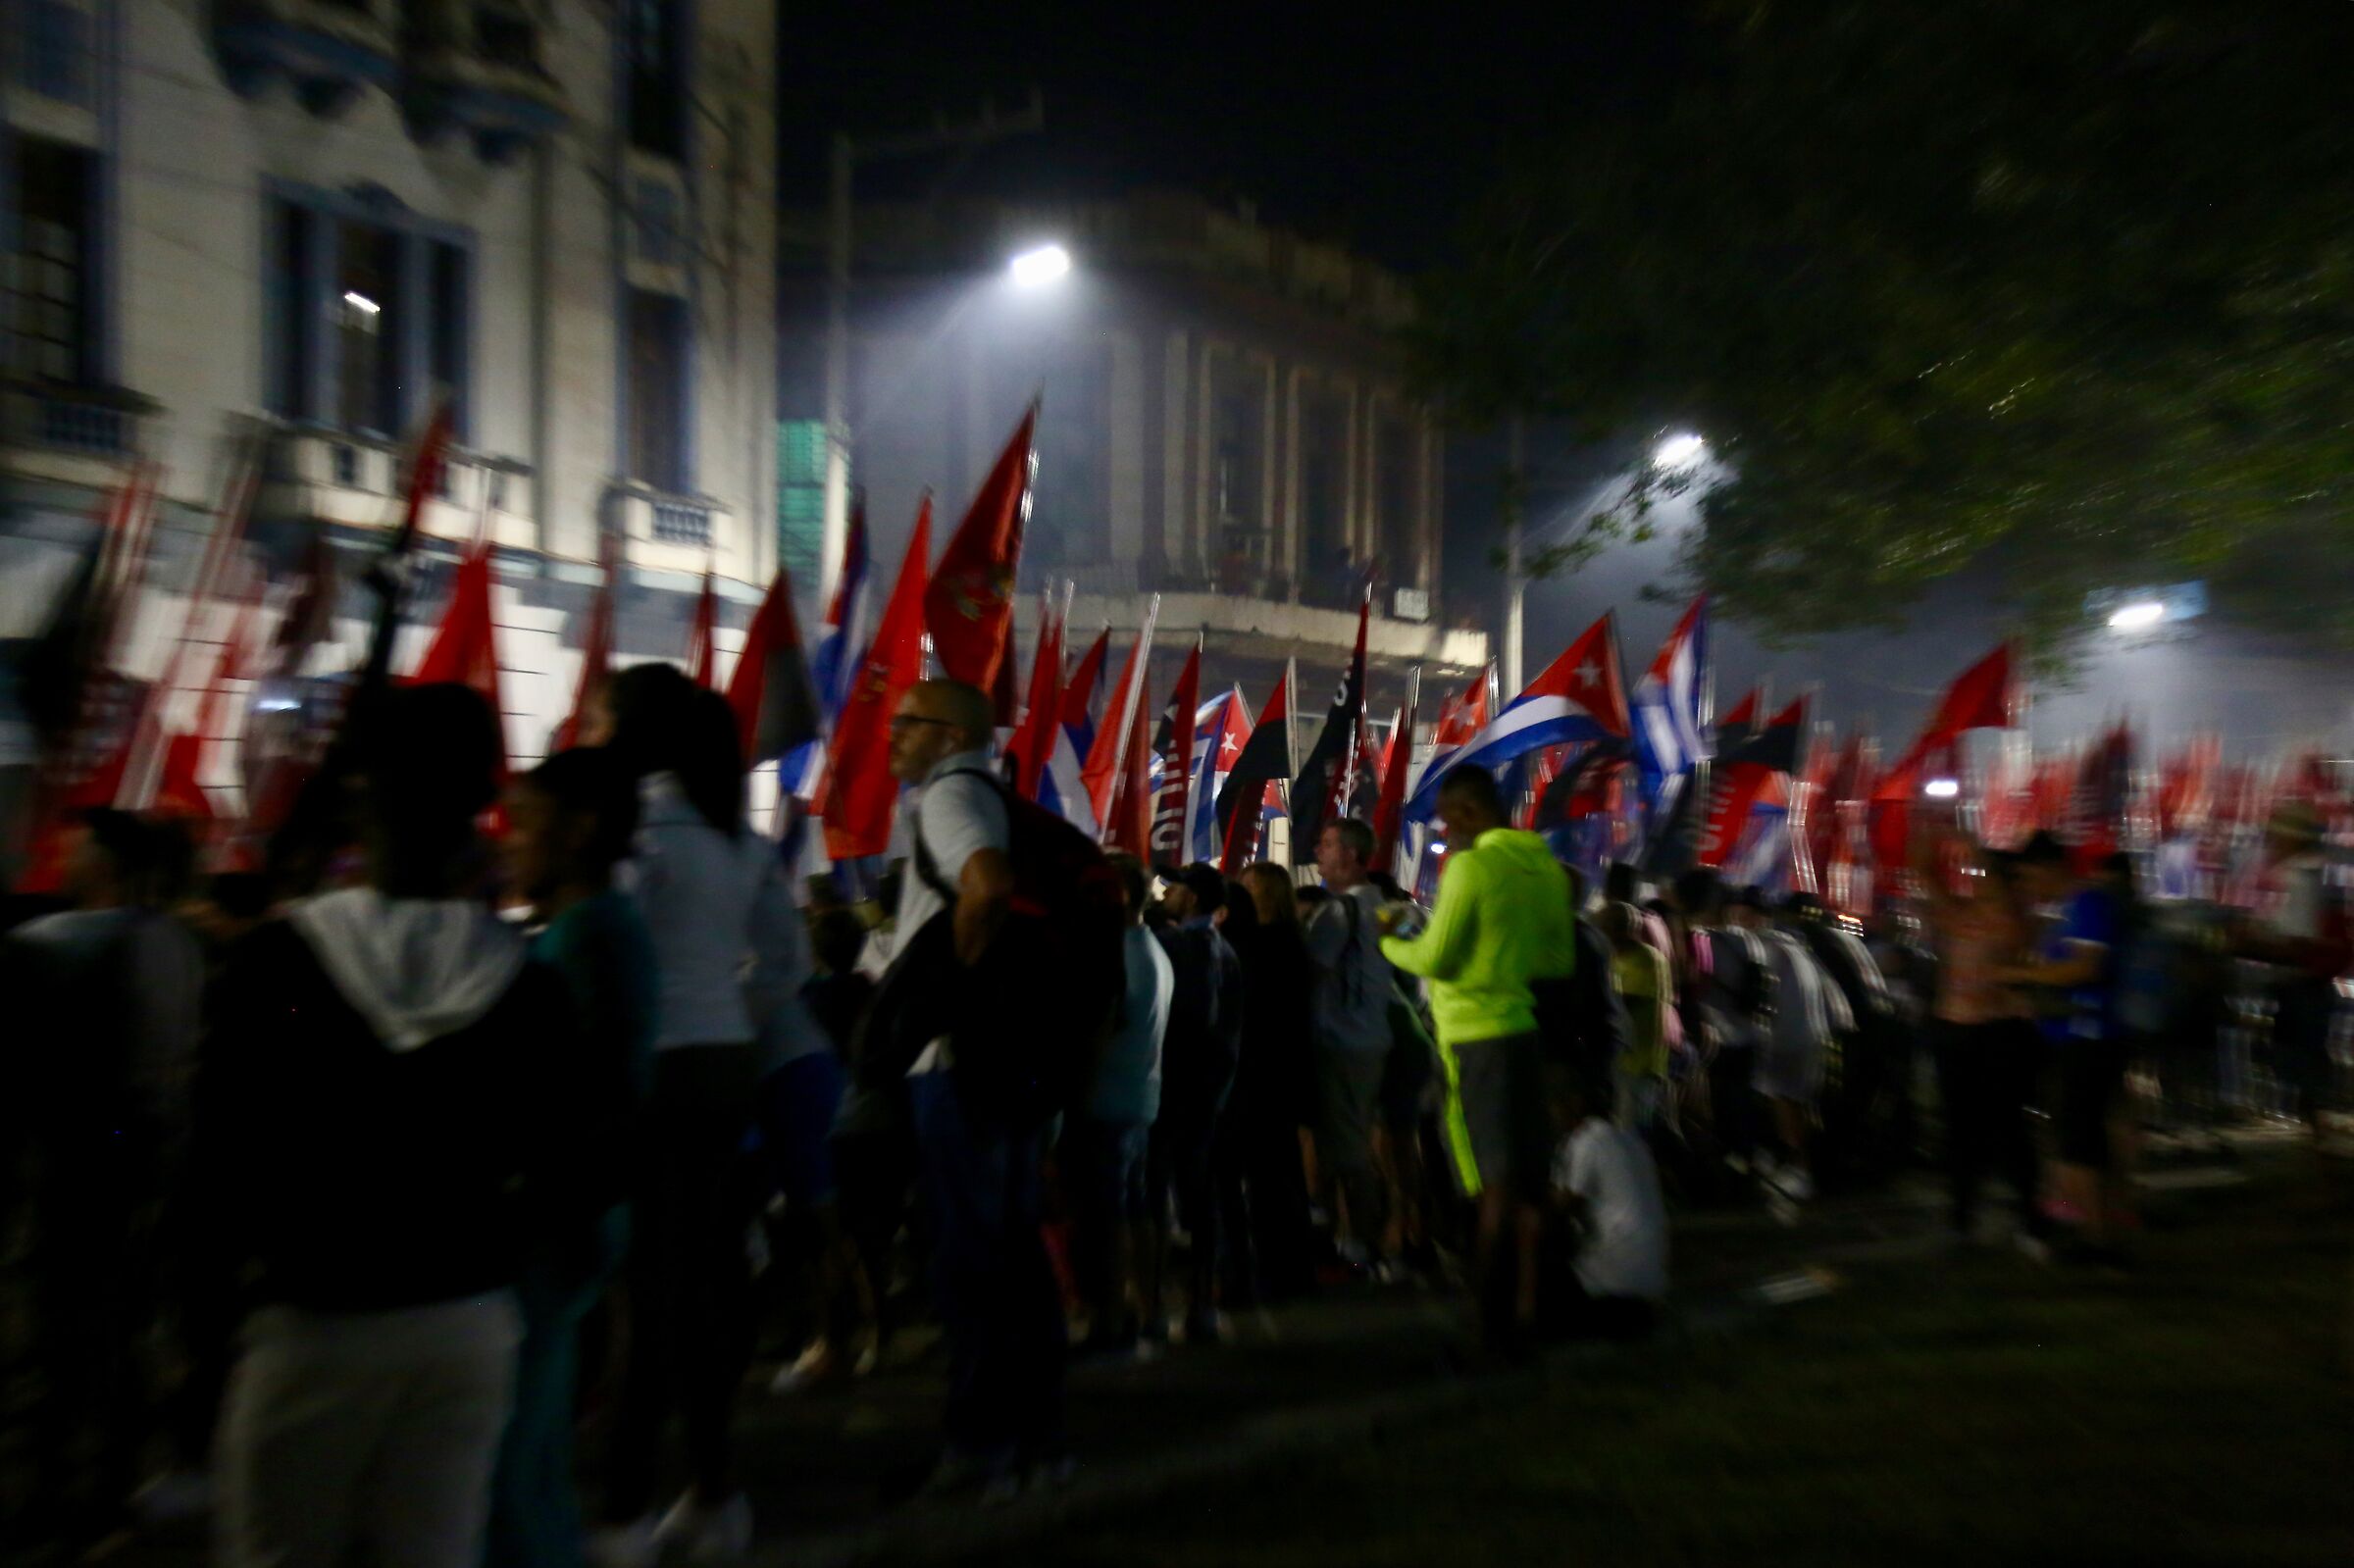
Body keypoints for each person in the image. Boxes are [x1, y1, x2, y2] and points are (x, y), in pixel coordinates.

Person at [197, 684, 583, 1568]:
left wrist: (210, 1316)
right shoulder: (527, 983)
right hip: (470, 1317)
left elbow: (222, 1158)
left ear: (359, 792)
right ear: (482, 802)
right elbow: (562, 1167)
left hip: (313, 1316)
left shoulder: (277, 961)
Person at [596, 666, 804, 1566]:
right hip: (722, 1062)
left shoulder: (635, 832)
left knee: (652, 1293)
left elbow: (613, 962)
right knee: (691, 1284)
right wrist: (731, 1019)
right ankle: (701, 1490)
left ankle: (633, 1503)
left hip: (656, 1069)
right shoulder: (738, 836)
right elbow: (785, 964)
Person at [870, 678, 1066, 1496]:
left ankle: (981, 1447)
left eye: (905, 724)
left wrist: (952, 996)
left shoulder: (950, 798)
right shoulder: (992, 795)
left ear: (949, 734)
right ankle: (1036, 1443)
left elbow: (983, 886)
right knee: (1013, 1252)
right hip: (1004, 1059)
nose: (890, 738)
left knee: (970, 1258)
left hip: (960, 1064)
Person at [6, 807, 205, 1551]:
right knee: (125, 1330)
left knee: (54, 1337)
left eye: (76, 844)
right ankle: (116, 1488)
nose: (62, 851)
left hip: (75, 1165)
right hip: (152, 1164)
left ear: (106, 861)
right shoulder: (178, 944)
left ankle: (51, 1495)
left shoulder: (53, 946)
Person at [491, 747, 658, 1568]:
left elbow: (594, 1088)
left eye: (525, 824)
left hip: (560, 1211)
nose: (510, 841)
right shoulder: (592, 926)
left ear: (581, 829)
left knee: (518, 1441)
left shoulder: (593, 933)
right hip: (574, 1209)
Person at [1379, 766, 1574, 1356]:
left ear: (1467, 813)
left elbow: (1434, 957)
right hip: (1523, 1036)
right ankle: (1534, 1309)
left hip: (1470, 1041)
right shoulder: (1545, 867)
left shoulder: (1469, 866)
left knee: (1487, 1188)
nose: (1444, 830)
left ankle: (1490, 1324)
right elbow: (1556, 959)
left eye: (1446, 817)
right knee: (1526, 1186)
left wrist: (1387, 937)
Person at [1912, 819, 2049, 1256]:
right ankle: (1962, 1217)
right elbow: (1924, 873)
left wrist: (1969, 841)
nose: (1976, 879)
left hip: (2000, 1032)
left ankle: (2031, 1218)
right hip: (1953, 1031)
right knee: (1959, 1128)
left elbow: (1987, 887)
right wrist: (1928, 824)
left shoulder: (2015, 920)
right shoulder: (1958, 912)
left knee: (2007, 1127)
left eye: (1986, 875)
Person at [1070, 852, 1172, 1356]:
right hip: (1141, 1098)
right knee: (1136, 1212)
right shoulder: (1153, 950)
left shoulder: (1118, 955)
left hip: (1107, 1102)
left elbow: (1100, 1032)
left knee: (1107, 1220)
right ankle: (1147, 1309)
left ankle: (1112, 1320)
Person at [1146, 862, 1245, 1343]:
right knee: (1201, 1199)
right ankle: (1201, 1302)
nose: (1167, 892)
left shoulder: (1179, 948)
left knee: (1159, 1198)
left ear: (1191, 899)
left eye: (1176, 887)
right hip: (1206, 1095)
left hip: (1175, 1094)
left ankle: (1158, 1306)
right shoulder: (1221, 950)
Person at [1306, 820, 1400, 1272]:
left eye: (1326, 844)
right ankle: (1360, 1238)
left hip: (1341, 1040)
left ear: (1351, 855)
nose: (1317, 851)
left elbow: (1310, 973)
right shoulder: (1380, 906)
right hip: (1371, 1037)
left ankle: (1363, 1243)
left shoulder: (1340, 910)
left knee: (1346, 1149)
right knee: (1356, 1142)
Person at [2236, 800, 2351, 1150]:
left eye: (2276, 836)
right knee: (2304, 1062)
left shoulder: (2302, 878)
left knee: (2303, 1064)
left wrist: (2251, 941)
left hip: (2303, 984)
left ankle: (2321, 1145)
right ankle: (2318, 1140)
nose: (2271, 842)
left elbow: (2297, 942)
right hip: (2308, 983)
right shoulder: (2313, 874)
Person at [1230, 862, 1319, 1300]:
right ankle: (1291, 1267)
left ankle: (1277, 1270)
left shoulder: (1261, 945)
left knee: (1267, 1177)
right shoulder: (1290, 942)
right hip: (1283, 1071)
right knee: (1280, 1173)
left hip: (1262, 1073)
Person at [1543, 1071, 1669, 1341]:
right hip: (1649, 1282)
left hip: (1609, 1282)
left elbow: (1559, 1209)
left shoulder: (1586, 1141)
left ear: (1572, 1104)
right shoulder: (1630, 1141)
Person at [1753, 893, 1851, 1204]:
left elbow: (1760, 995)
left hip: (1787, 1039)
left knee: (1787, 1107)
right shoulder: (1801, 948)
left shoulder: (1765, 946)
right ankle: (1807, 1169)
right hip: (1817, 1036)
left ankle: (1799, 1171)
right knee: (1805, 1106)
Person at [1602, 902, 1673, 1134]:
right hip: (1627, 1062)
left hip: (1639, 1064)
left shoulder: (1646, 959)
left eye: (1609, 928)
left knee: (1630, 1132)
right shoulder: (1620, 957)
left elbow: (1623, 1003)